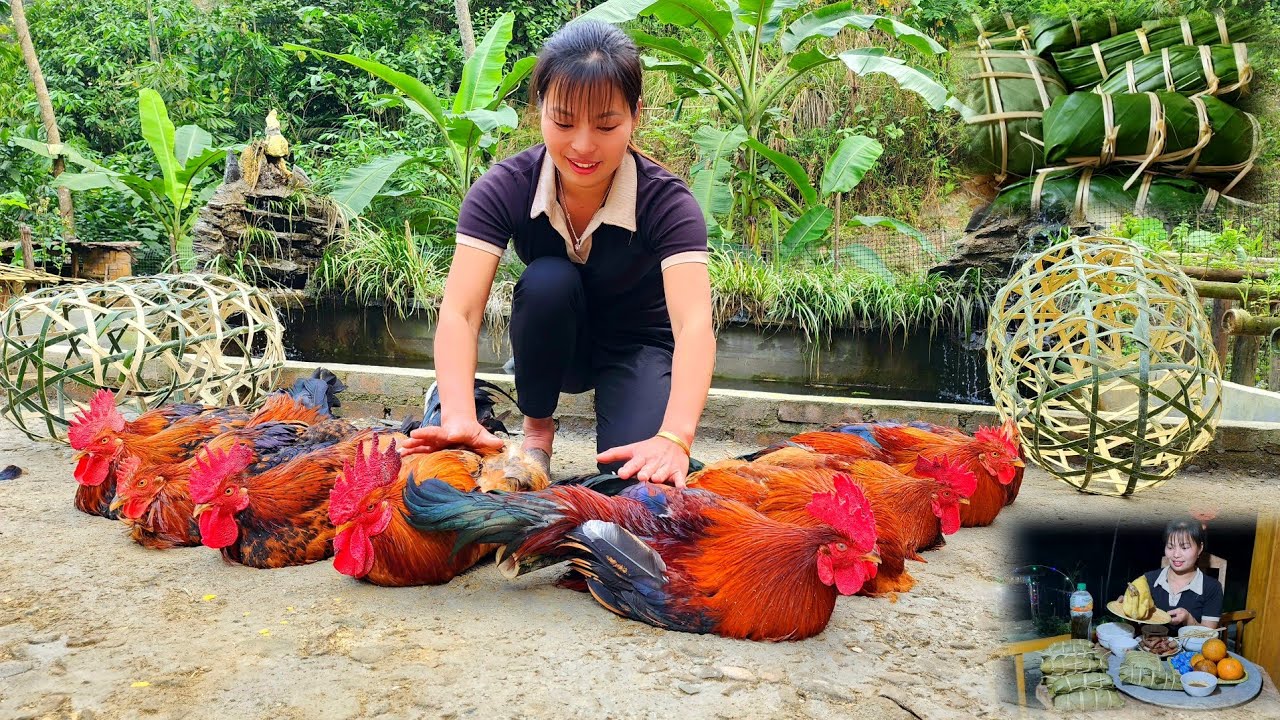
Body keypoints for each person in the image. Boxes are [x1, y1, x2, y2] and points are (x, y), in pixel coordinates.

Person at [399, 20, 715, 487]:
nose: (583, 145)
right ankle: (537, 428)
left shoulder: (668, 202)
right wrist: (461, 416)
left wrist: (675, 436)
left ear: (635, 116)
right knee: (547, 281)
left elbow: (693, 326)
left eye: (606, 124)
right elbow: (461, 312)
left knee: (633, 482)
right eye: (564, 121)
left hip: (639, 347)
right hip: (557, 342)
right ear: (540, 109)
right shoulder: (504, 187)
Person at [1122, 518, 1223, 629]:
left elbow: (1209, 636)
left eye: (1184, 547)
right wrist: (1127, 608)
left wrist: (1188, 619)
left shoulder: (1212, 588)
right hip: (1148, 644)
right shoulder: (1148, 580)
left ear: (1200, 548)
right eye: (1170, 547)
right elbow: (1136, 626)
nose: (1176, 554)